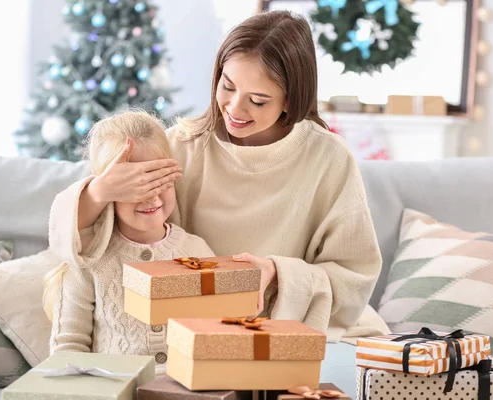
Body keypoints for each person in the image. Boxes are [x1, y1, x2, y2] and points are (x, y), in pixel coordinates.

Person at [50, 10, 389, 371]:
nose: (234, 108)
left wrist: (276, 273)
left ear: (291, 99)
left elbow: (355, 278)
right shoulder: (183, 146)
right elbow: (85, 245)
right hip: (196, 347)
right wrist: (98, 192)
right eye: (227, 86)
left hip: (286, 337)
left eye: (258, 100)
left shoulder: (328, 159)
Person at [44, 110, 214, 371]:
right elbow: (68, 348)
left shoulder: (197, 251)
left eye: (160, 180)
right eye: (137, 185)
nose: (152, 197)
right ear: (109, 188)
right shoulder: (89, 260)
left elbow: (217, 333)